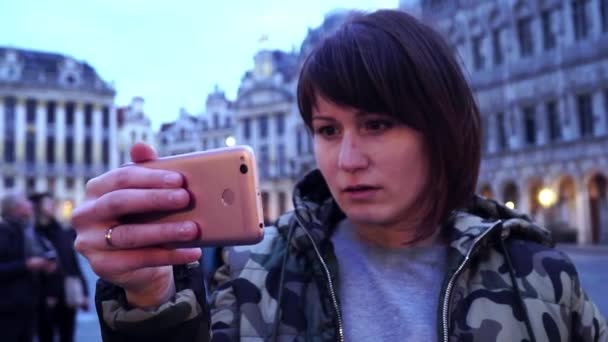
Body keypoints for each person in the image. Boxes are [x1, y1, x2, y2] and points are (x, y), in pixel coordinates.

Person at [72, 10, 607, 342]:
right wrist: (148, 298)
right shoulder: (254, 270)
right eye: (327, 129)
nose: (346, 159)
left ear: (440, 126)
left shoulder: (537, 274)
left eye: (376, 124)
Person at [30, 192, 89, 342]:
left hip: (66, 294)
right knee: (45, 335)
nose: (53, 206)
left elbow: (72, 263)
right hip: (44, 297)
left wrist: (84, 292)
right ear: (38, 207)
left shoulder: (62, 232)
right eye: (48, 203)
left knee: (67, 335)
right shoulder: (32, 234)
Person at [0, 191, 57, 342]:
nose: (31, 204)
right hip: (8, 307)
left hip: (29, 304)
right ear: (14, 207)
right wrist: (26, 265)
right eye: (26, 201)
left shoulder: (27, 230)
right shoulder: (3, 231)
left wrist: (44, 266)